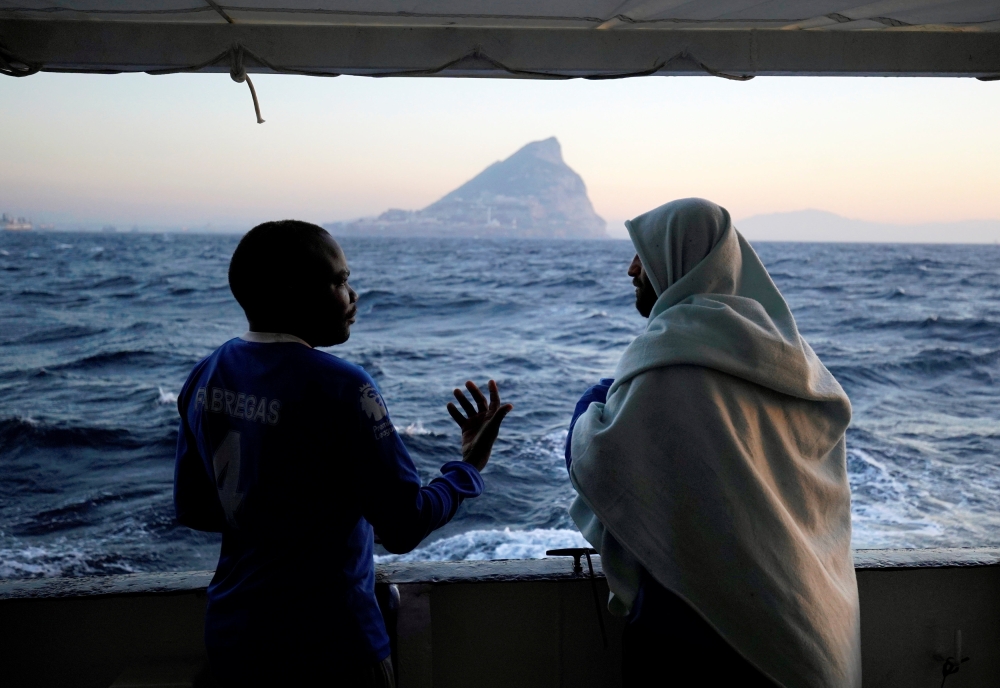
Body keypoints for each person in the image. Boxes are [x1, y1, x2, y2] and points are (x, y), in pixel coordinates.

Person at [173, 220, 512, 687]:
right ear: (293, 290)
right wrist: (468, 467)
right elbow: (404, 524)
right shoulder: (343, 386)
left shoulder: (204, 375)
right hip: (333, 646)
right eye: (339, 281)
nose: (353, 296)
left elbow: (194, 506)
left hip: (234, 635)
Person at [565, 199, 860, 687]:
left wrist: (594, 399)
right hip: (802, 617)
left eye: (644, 253)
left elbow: (599, 459)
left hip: (695, 637)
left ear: (682, 260)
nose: (632, 269)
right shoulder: (783, 352)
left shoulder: (673, 360)